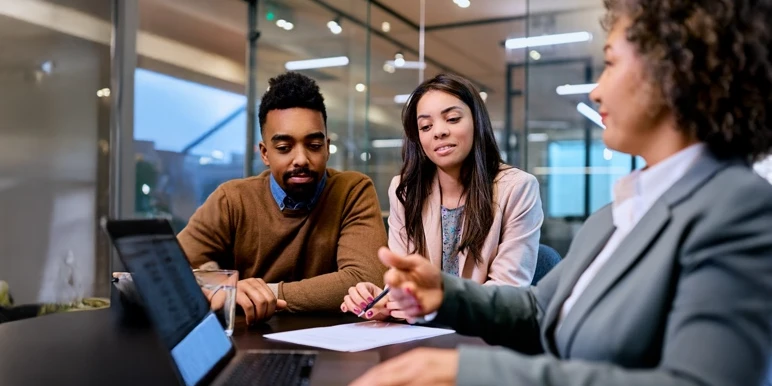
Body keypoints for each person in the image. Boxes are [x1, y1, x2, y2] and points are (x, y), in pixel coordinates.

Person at [350, 0, 772, 384]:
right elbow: (538, 309)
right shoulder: (615, 215)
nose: (596, 90)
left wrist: (470, 371)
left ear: (675, 70)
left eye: (609, 64)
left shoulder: (737, 209)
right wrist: (444, 293)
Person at [177, 72, 388, 325]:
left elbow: (364, 281)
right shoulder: (232, 199)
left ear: (327, 147)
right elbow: (168, 273)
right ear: (265, 153)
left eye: (314, 145)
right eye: (284, 148)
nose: (301, 159)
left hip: (333, 349)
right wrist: (222, 286)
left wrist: (266, 293)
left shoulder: (352, 191)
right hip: (248, 345)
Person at [341, 73, 543, 320]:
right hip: (419, 338)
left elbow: (507, 293)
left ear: (476, 122)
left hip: (482, 338)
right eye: (426, 126)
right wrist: (384, 299)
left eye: (452, 118)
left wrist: (436, 305)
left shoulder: (518, 187)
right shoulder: (404, 190)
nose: (439, 132)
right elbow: (404, 280)